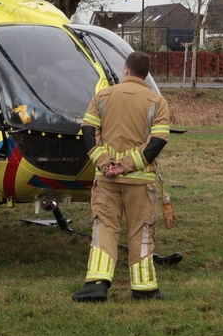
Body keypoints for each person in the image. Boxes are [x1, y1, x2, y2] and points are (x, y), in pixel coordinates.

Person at [72, 51, 171, 303]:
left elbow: (87, 132)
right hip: (140, 181)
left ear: (126, 70)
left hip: (106, 180)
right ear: (145, 74)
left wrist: (106, 163)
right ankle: (144, 288)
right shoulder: (157, 101)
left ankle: (96, 283)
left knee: (104, 227)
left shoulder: (102, 96)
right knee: (141, 230)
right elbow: (158, 140)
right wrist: (127, 165)